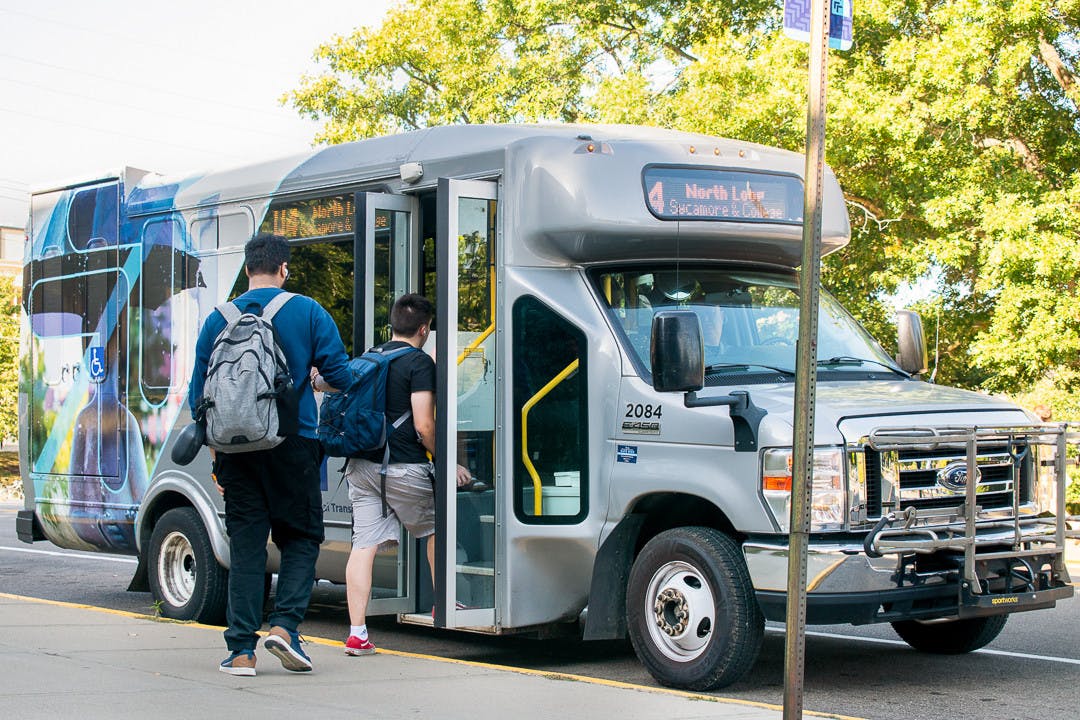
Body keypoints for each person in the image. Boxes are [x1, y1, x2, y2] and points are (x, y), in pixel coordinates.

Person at [189, 233, 352, 677]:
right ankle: (284, 627)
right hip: (293, 441)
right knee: (300, 539)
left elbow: (197, 396)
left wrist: (217, 453)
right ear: (285, 269)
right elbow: (341, 377)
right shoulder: (308, 311)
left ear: (247, 269)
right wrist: (316, 382)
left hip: (234, 450)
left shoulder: (217, 320)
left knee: (245, 548)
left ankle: (241, 651)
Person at [311, 293, 470, 656]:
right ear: (424, 329)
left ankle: (357, 633)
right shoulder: (419, 363)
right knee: (435, 528)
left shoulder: (371, 356)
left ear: (393, 325)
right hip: (402, 467)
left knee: (363, 545)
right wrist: (448, 462)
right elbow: (424, 424)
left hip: (360, 467)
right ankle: (443, 604)